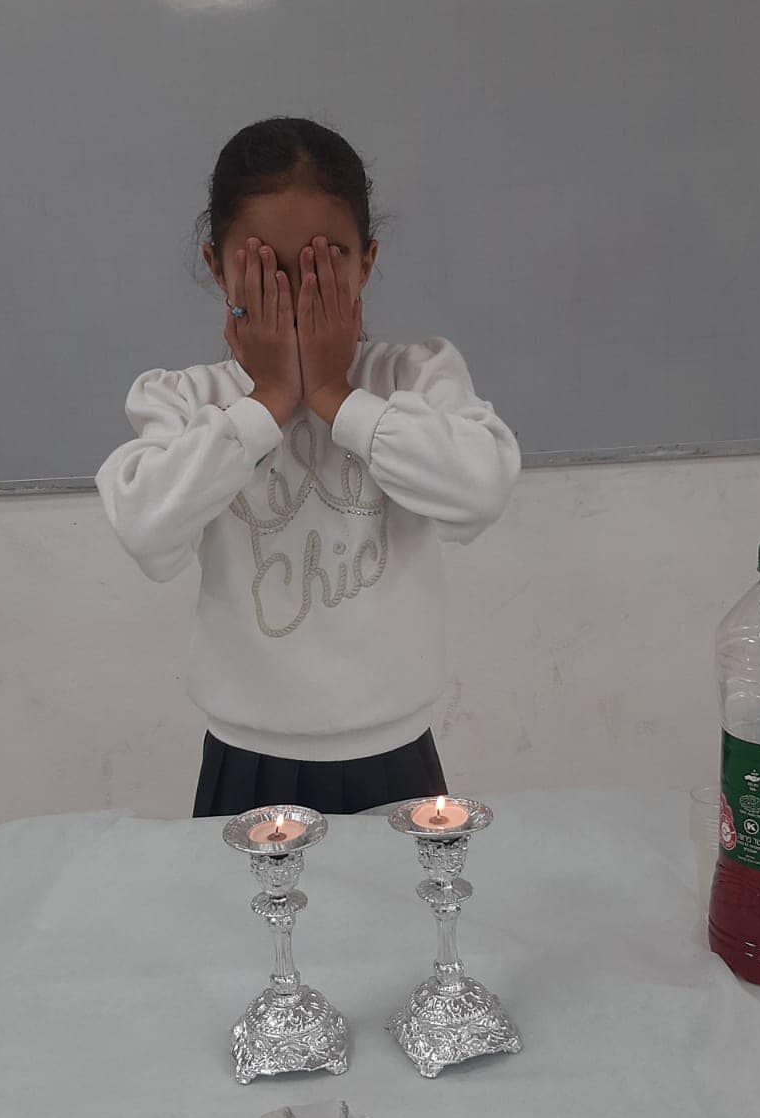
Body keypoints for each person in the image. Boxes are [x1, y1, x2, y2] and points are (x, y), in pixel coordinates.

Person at [95, 116, 521, 816]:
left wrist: (334, 397)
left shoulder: (412, 377)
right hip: (244, 755)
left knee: (407, 893)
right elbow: (145, 529)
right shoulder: (187, 400)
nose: (296, 293)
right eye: (265, 269)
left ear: (366, 263)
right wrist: (266, 401)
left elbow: (479, 492)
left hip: (396, 750)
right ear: (216, 267)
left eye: (325, 263)